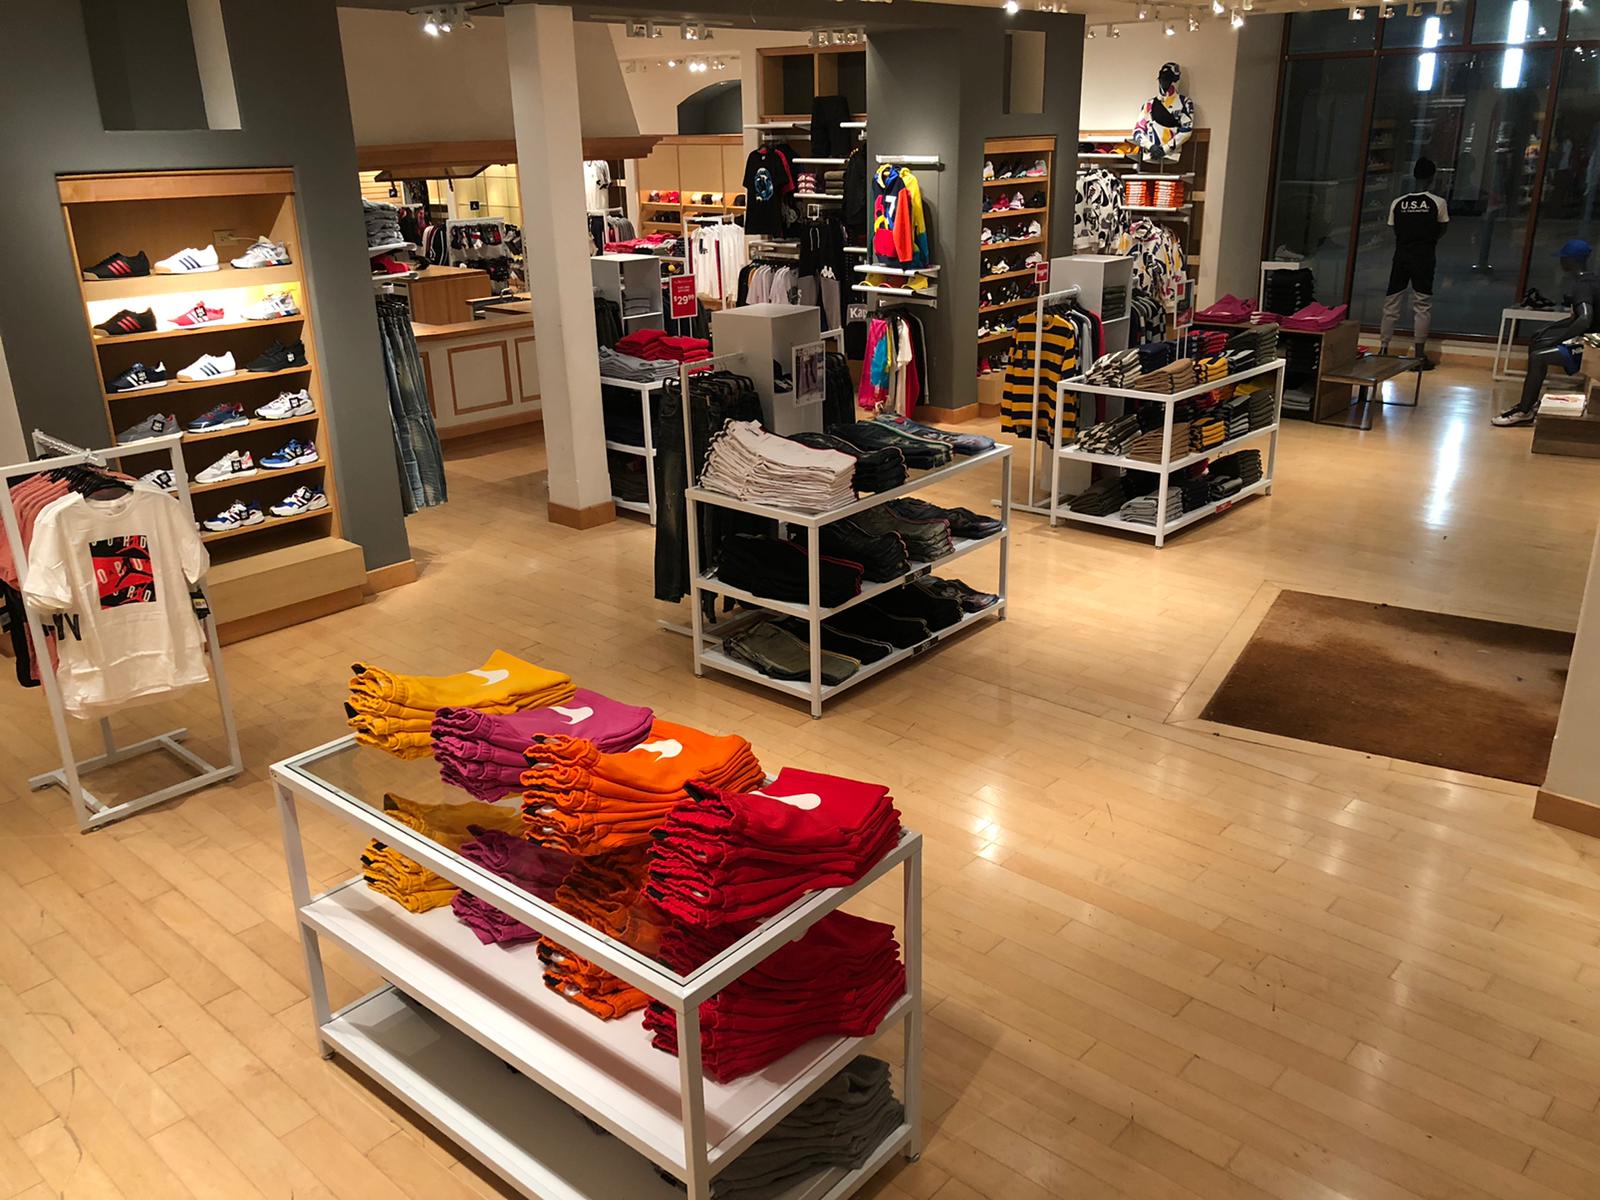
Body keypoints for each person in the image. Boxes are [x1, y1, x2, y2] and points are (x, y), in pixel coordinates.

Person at [1492, 239, 1598, 427]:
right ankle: (1528, 403)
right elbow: (1577, 318)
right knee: (1538, 341)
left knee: (1539, 356)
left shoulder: (1582, 286)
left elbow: (1584, 319)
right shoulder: (1592, 281)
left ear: (1569, 261)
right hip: (1590, 341)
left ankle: (1524, 411)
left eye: (1562, 259)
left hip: (1593, 348)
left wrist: (1557, 340)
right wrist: (1548, 329)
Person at [1379, 158, 1449, 370]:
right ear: (1432, 178)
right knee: (1422, 305)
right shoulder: (1437, 203)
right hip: (1424, 257)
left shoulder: (1398, 203)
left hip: (1401, 256)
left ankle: (1383, 349)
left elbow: (1394, 229)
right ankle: (1419, 355)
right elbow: (1442, 229)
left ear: (1414, 175)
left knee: (1391, 303)